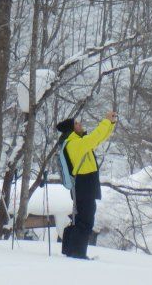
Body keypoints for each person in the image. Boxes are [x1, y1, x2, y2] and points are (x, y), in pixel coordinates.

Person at [56, 110, 117, 259]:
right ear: (72, 128)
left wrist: (111, 124)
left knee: (84, 218)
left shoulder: (78, 142)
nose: (80, 124)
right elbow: (94, 138)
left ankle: (73, 251)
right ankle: (77, 253)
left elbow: (98, 139)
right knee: (85, 220)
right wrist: (106, 121)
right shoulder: (73, 144)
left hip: (86, 184)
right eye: (76, 123)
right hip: (83, 185)